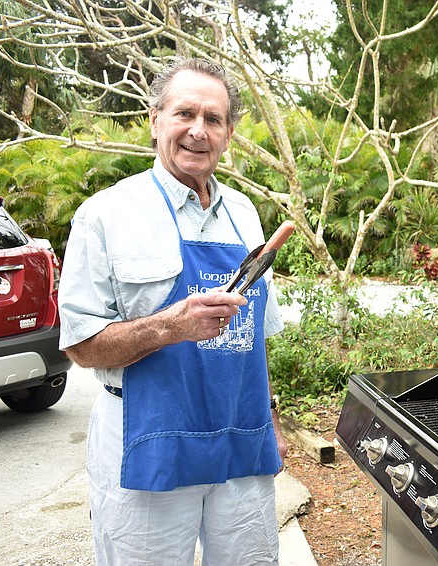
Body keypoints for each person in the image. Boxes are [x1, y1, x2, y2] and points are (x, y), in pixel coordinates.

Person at [58, 57, 288, 566]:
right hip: (148, 439)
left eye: (213, 119)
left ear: (229, 133)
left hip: (238, 444)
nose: (198, 131)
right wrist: (172, 326)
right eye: (185, 114)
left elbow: (255, 340)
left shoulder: (245, 213)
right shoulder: (106, 214)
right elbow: (79, 344)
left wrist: (269, 420)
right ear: (155, 119)